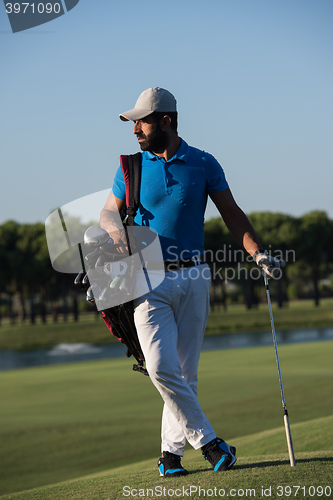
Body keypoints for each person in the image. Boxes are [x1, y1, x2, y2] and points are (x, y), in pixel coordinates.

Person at [100, 87, 280, 477]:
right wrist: (114, 230)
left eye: (142, 121)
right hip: (147, 281)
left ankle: (169, 457)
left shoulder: (202, 163)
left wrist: (258, 253)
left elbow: (232, 214)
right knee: (160, 367)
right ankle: (211, 445)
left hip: (195, 276)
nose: (135, 130)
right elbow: (107, 214)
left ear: (166, 120)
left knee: (186, 373)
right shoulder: (130, 167)